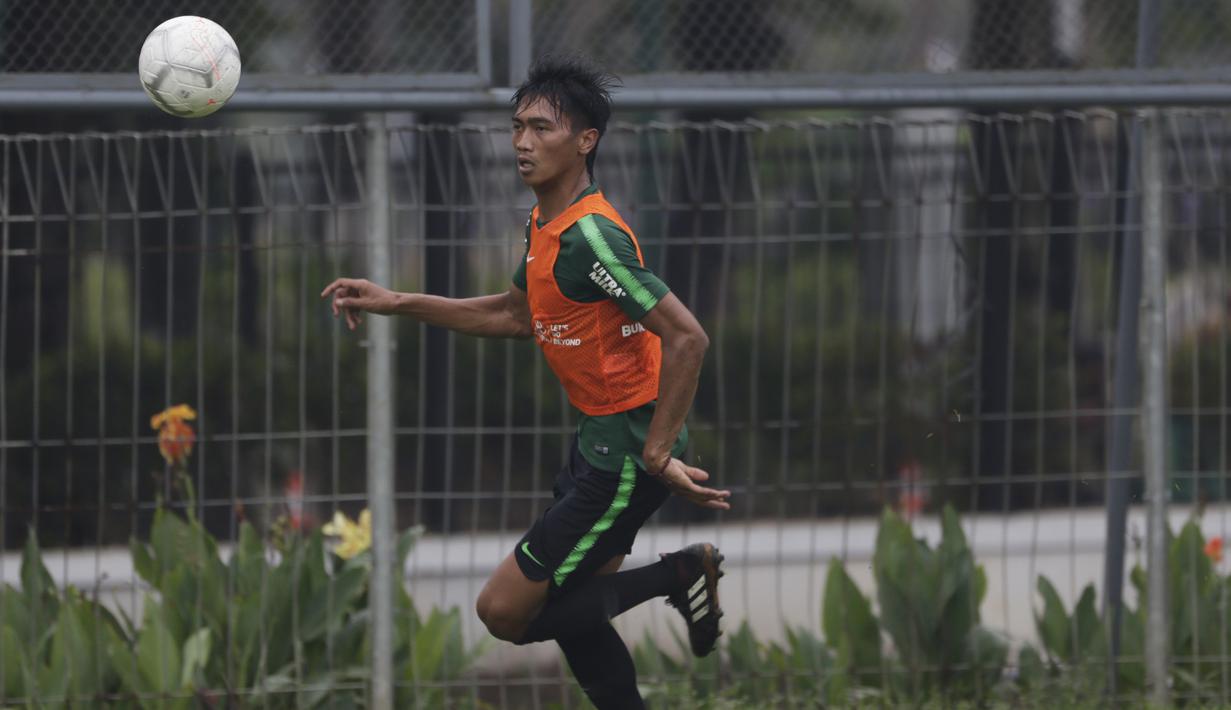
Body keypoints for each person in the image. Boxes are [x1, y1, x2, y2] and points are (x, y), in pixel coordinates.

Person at [320, 54, 730, 709]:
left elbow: (687, 337)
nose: (521, 141)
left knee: (503, 611)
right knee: (574, 614)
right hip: (595, 442)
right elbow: (515, 315)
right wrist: (396, 301)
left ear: (585, 141)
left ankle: (679, 573)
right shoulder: (545, 225)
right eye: (516, 126)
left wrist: (655, 451)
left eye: (541, 128)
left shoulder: (591, 240)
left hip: (624, 455)